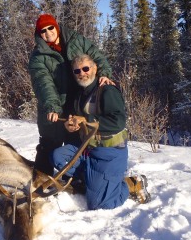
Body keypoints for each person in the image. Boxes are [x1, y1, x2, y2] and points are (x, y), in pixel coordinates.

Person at [51, 54, 151, 210]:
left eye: (86, 68)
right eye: (77, 71)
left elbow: (118, 122)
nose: (82, 73)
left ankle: (131, 184)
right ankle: (94, 182)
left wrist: (87, 119)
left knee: (100, 204)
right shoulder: (79, 94)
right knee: (58, 156)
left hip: (109, 153)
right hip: (88, 151)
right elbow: (79, 121)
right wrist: (71, 126)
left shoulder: (107, 90)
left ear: (95, 68)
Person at [28, 13, 113, 175]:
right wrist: (52, 106)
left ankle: (77, 177)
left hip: (80, 101)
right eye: (43, 31)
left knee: (77, 141)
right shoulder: (38, 57)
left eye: (50, 28)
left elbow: (96, 56)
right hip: (55, 103)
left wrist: (104, 73)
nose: (48, 33)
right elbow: (43, 83)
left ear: (56, 26)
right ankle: (41, 178)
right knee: (49, 141)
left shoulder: (76, 40)